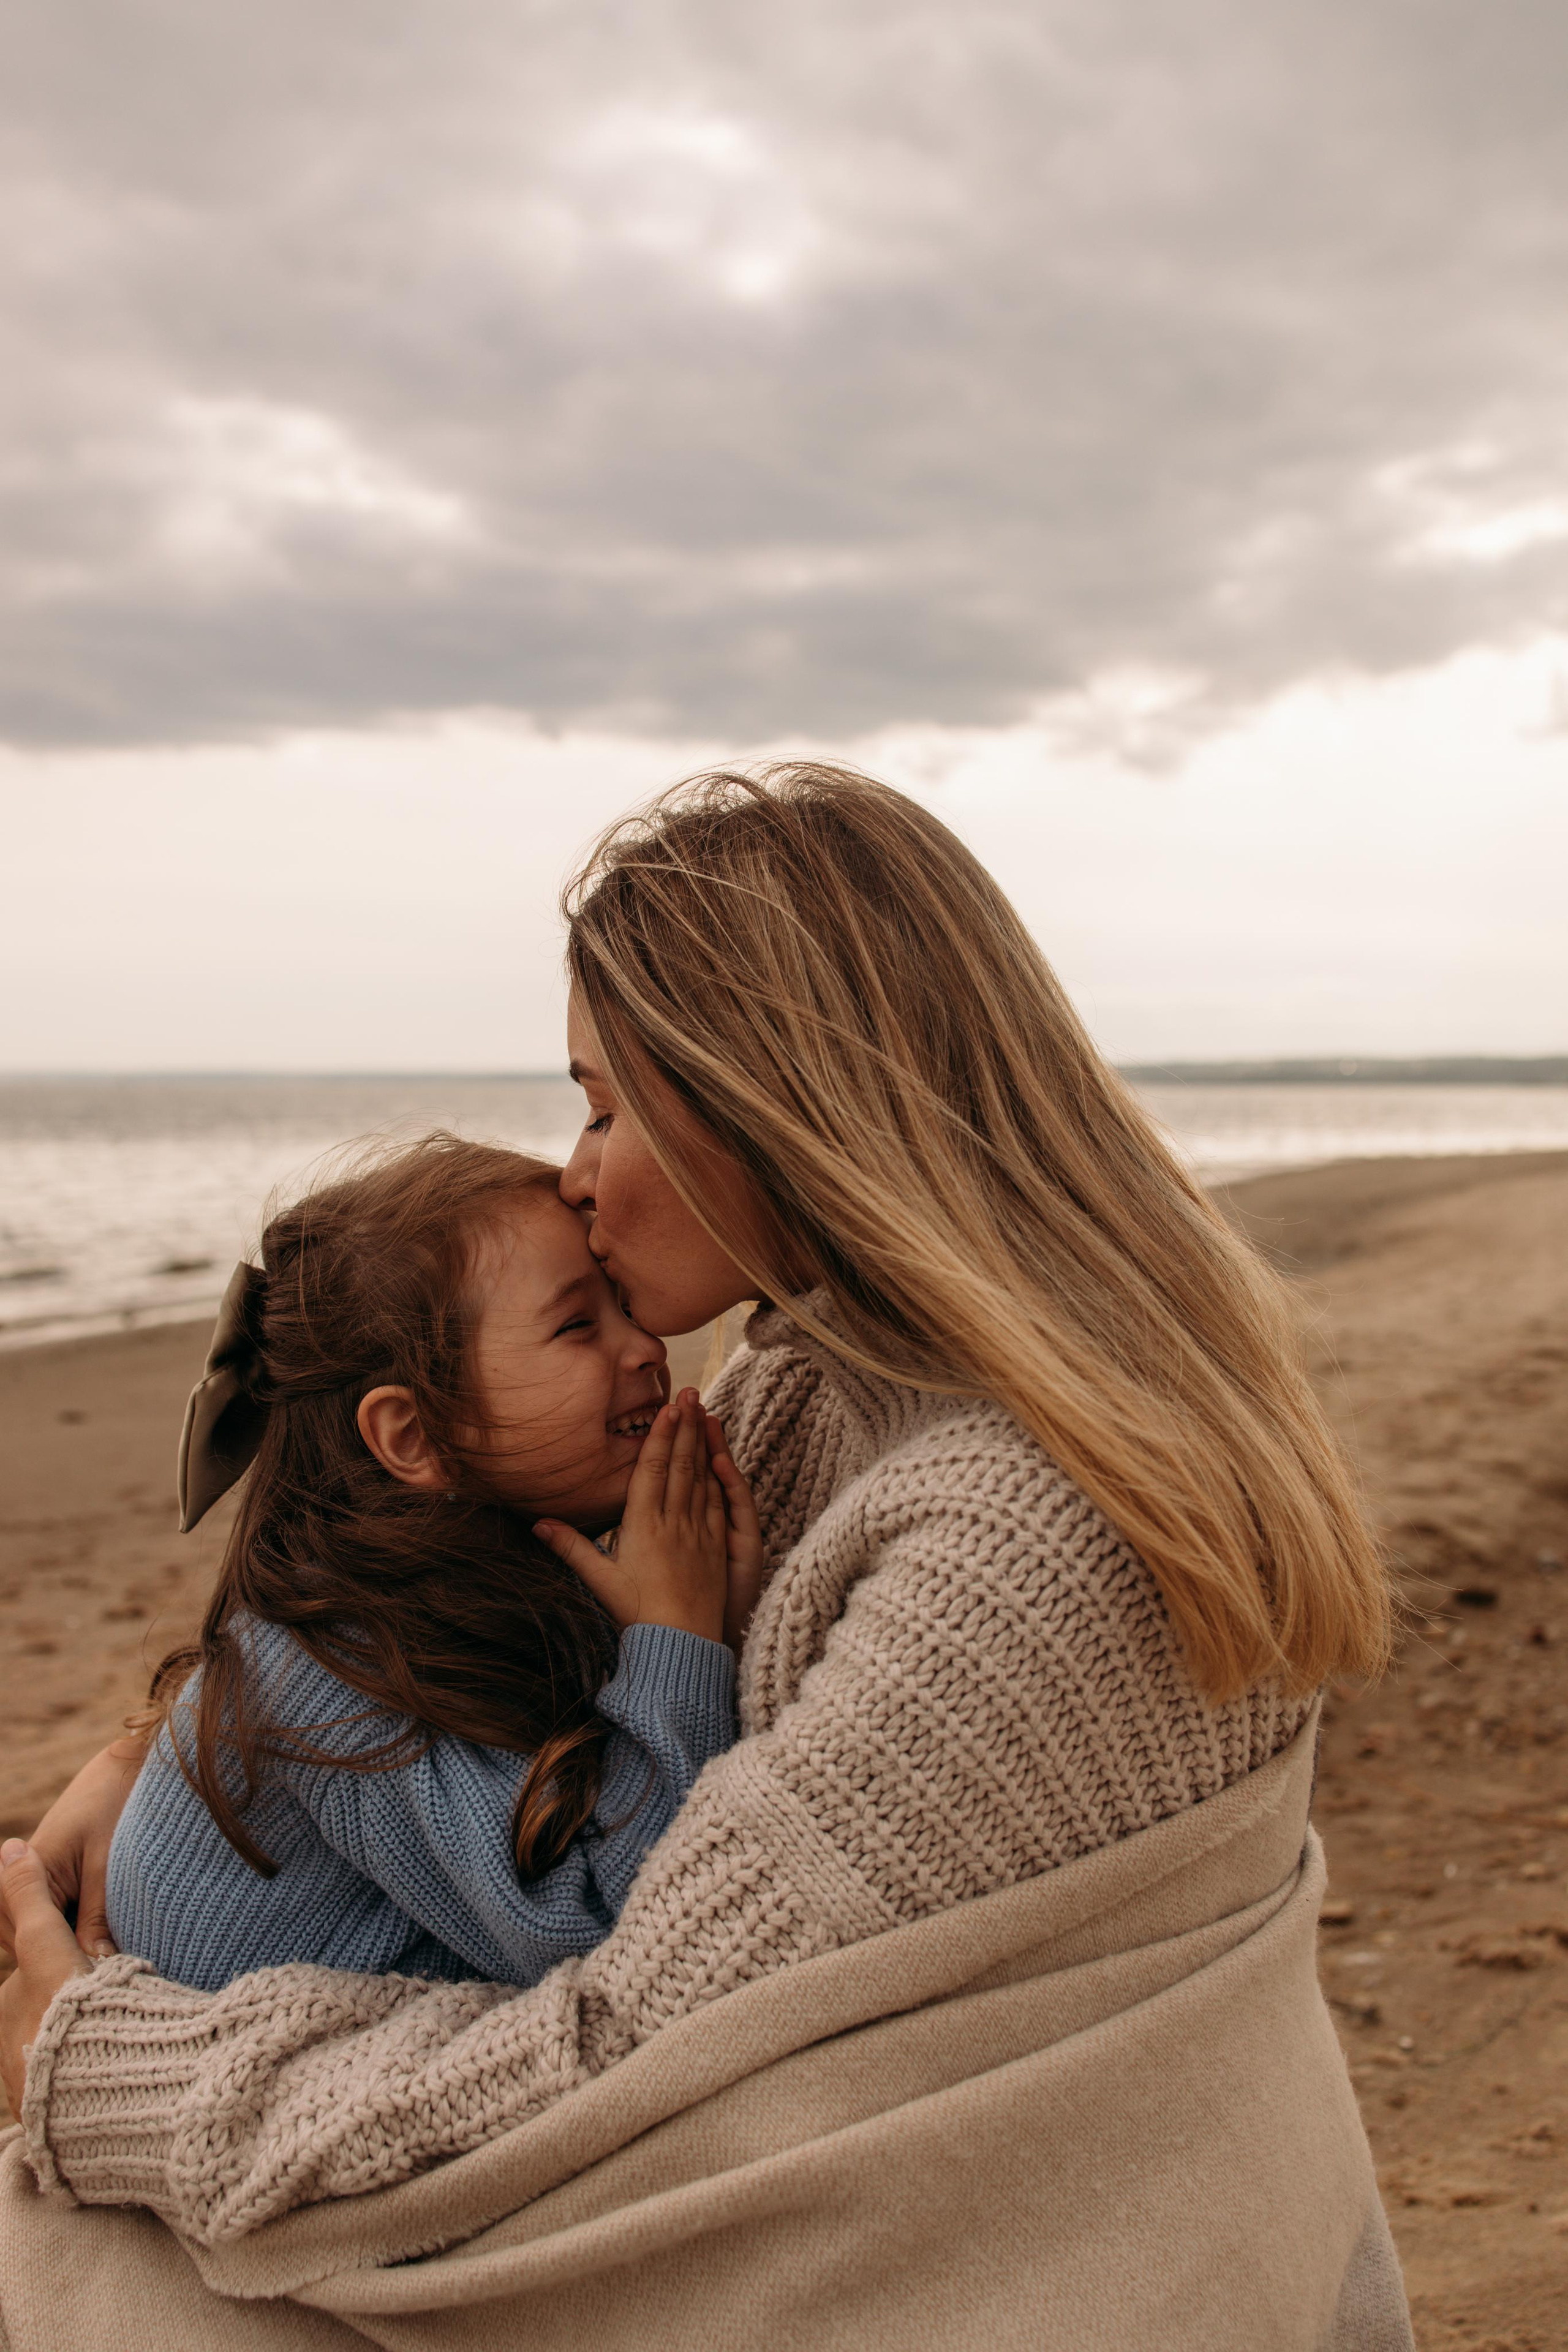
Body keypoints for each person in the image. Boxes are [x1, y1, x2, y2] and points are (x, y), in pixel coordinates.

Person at [0, 766, 1411, 2351]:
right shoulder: (838, 1377)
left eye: (607, 1104)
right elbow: (457, 1610)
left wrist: (103, 2057)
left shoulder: (1006, 1553)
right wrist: (172, 1745)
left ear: (775, 1094)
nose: (576, 1175)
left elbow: (606, 2068)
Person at [89, 1134, 752, 1994]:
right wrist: (681, 1640)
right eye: (579, 1324)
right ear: (416, 1437)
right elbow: (607, 1929)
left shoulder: (477, 1578)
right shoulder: (333, 1684)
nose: (647, 1348)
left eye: (621, 1303)